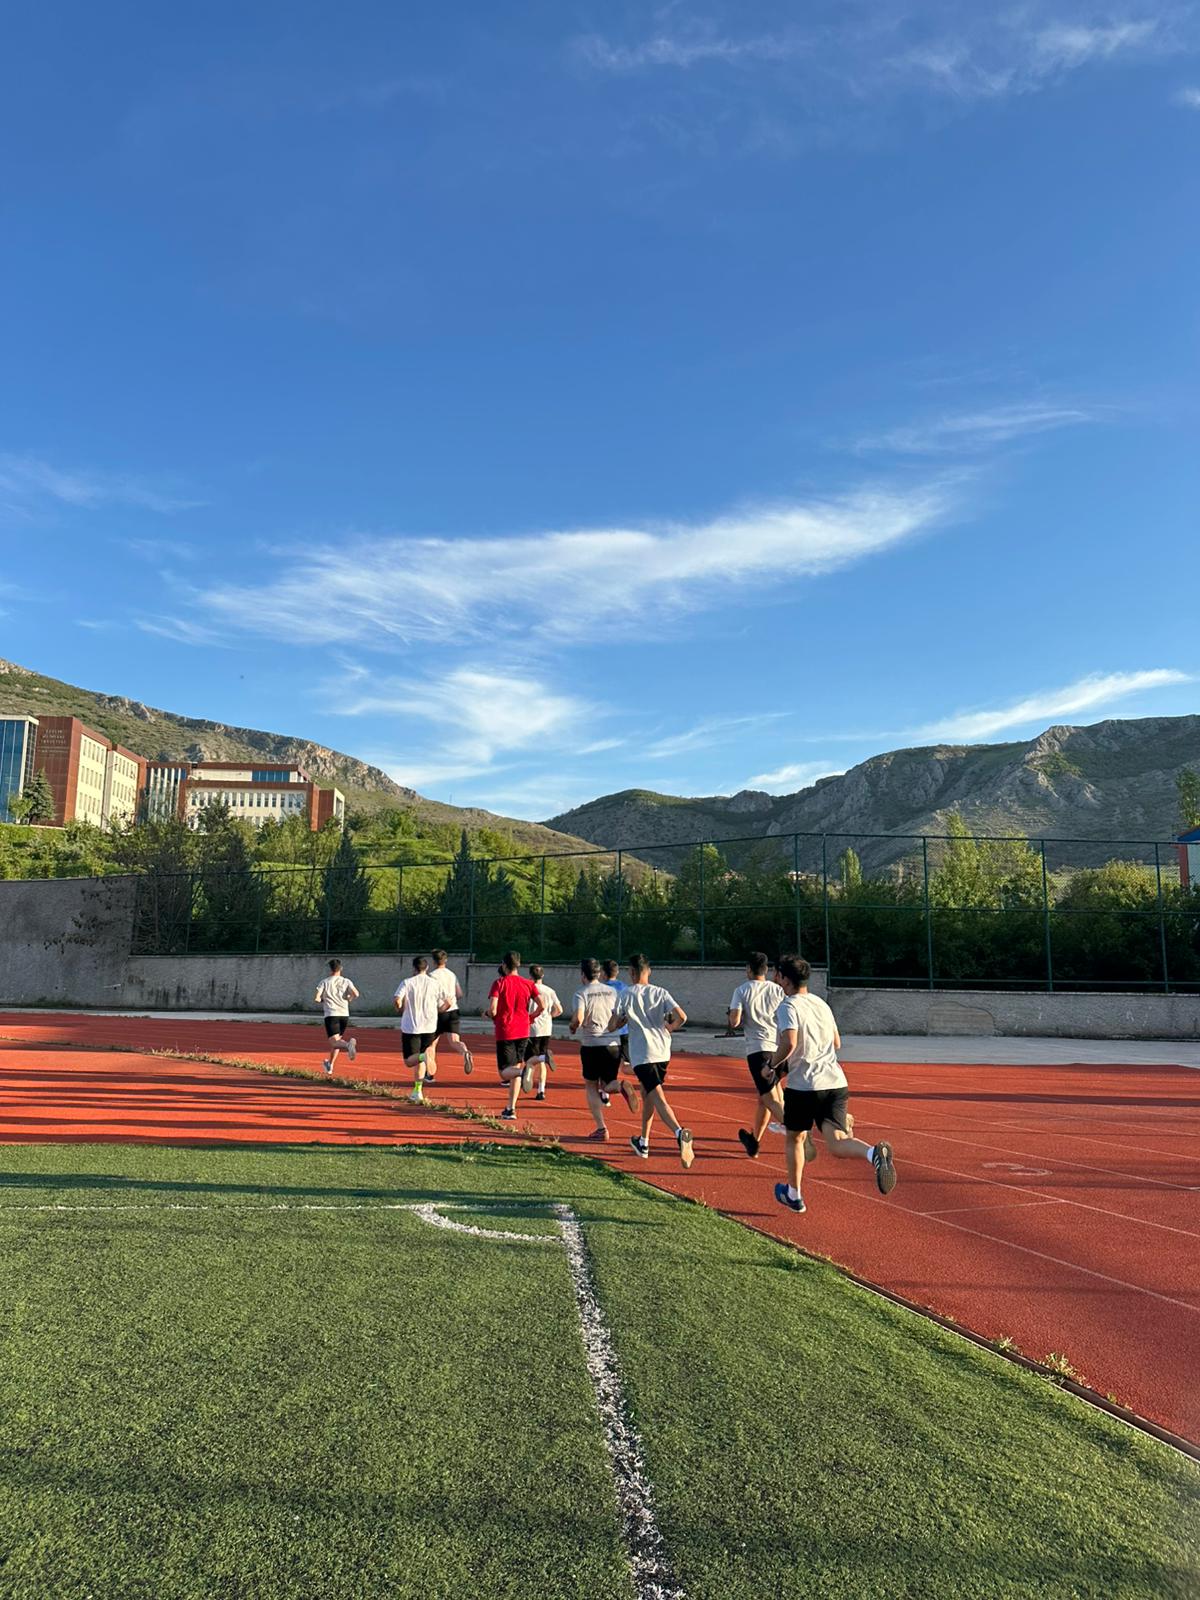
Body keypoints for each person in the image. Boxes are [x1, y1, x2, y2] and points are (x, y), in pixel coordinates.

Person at [764, 955, 896, 1214]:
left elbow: (789, 1043)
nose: (774, 976)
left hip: (804, 1085)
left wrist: (771, 1066)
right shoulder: (821, 1004)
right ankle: (873, 1155)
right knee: (836, 1142)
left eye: (777, 973)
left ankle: (794, 1195)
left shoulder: (788, 1006)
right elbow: (836, 1043)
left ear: (785, 980)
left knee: (795, 1138)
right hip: (835, 1081)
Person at [610, 954, 694, 1169]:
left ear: (631, 972)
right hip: (663, 1051)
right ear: (649, 971)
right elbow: (682, 1017)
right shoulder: (661, 992)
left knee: (658, 1097)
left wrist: (620, 1022)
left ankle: (679, 1132)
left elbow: (613, 1024)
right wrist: (670, 1028)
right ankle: (644, 1142)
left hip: (642, 1053)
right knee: (648, 1095)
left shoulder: (626, 994)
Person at [728, 951, 792, 1159]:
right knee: (765, 1099)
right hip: (779, 1048)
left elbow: (735, 1022)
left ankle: (798, 1132)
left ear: (748, 969)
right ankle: (754, 1141)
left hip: (758, 1050)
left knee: (771, 1100)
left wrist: (734, 1014)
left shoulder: (741, 991)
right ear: (766, 970)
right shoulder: (777, 990)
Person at [569, 957, 639, 1142]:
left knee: (591, 1085)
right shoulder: (612, 992)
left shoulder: (581, 993)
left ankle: (601, 1128)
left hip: (592, 1044)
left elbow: (578, 1018)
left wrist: (573, 1026)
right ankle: (621, 1085)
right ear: (599, 973)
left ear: (583, 974)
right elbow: (621, 1016)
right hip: (613, 1044)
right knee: (608, 1083)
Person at [488, 952, 544, 1121]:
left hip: (505, 1030)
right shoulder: (528, 984)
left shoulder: (499, 983)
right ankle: (510, 1108)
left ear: (504, 965)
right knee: (516, 1072)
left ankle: (526, 1069)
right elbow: (543, 1006)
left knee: (505, 1072)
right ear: (518, 965)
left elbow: (493, 1010)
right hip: (523, 1030)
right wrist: (530, 1017)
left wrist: (489, 1014)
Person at [393, 955, 445, 1104]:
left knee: (410, 1061)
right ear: (427, 968)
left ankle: (424, 1057)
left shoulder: (407, 982)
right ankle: (418, 1090)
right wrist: (439, 1012)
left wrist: (399, 1008)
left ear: (414, 968)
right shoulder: (434, 983)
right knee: (419, 1061)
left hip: (411, 1027)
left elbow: (397, 999)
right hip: (429, 1026)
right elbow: (445, 1003)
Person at [426, 948, 474, 1081]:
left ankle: (430, 1074)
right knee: (454, 1041)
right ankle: (465, 1052)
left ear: (433, 961)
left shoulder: (431, 976)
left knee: (431, 1044)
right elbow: (459, 994)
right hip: (453, 1011)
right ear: (445, 960)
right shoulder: (452, 975)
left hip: (438, 1012)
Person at [313, 958, 359, 1076]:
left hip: (331, 1014)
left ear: (330, 969)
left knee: (334, 1043)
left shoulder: (324, 982)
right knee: (337, 1041)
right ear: (341, 968)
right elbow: (356, 993)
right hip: (344, 1015)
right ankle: (330, 1065)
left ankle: (348, 1045)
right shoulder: (346, 981)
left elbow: (317, 998)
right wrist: (349, 998)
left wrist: (321, 1000)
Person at [526, 963, 562, 1099]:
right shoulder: (550, 991)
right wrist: (549, 1016)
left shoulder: (528, 989)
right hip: (546, 1027)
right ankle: (541, 1090)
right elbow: (559, 1009)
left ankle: (527, 1082)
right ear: (543, 975)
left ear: (530, 975)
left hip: (531, 1027)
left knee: (530, 1060)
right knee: (540, 1062)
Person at [601, 958, 629, 1108]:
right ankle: (642, 1073)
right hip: (625, 1030)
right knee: (625, 1065)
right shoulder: (625, 987)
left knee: (603, 1066)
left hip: (608, 1032)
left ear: (603, 973)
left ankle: (605, 1094)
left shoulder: (601, 989)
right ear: (617, 972)